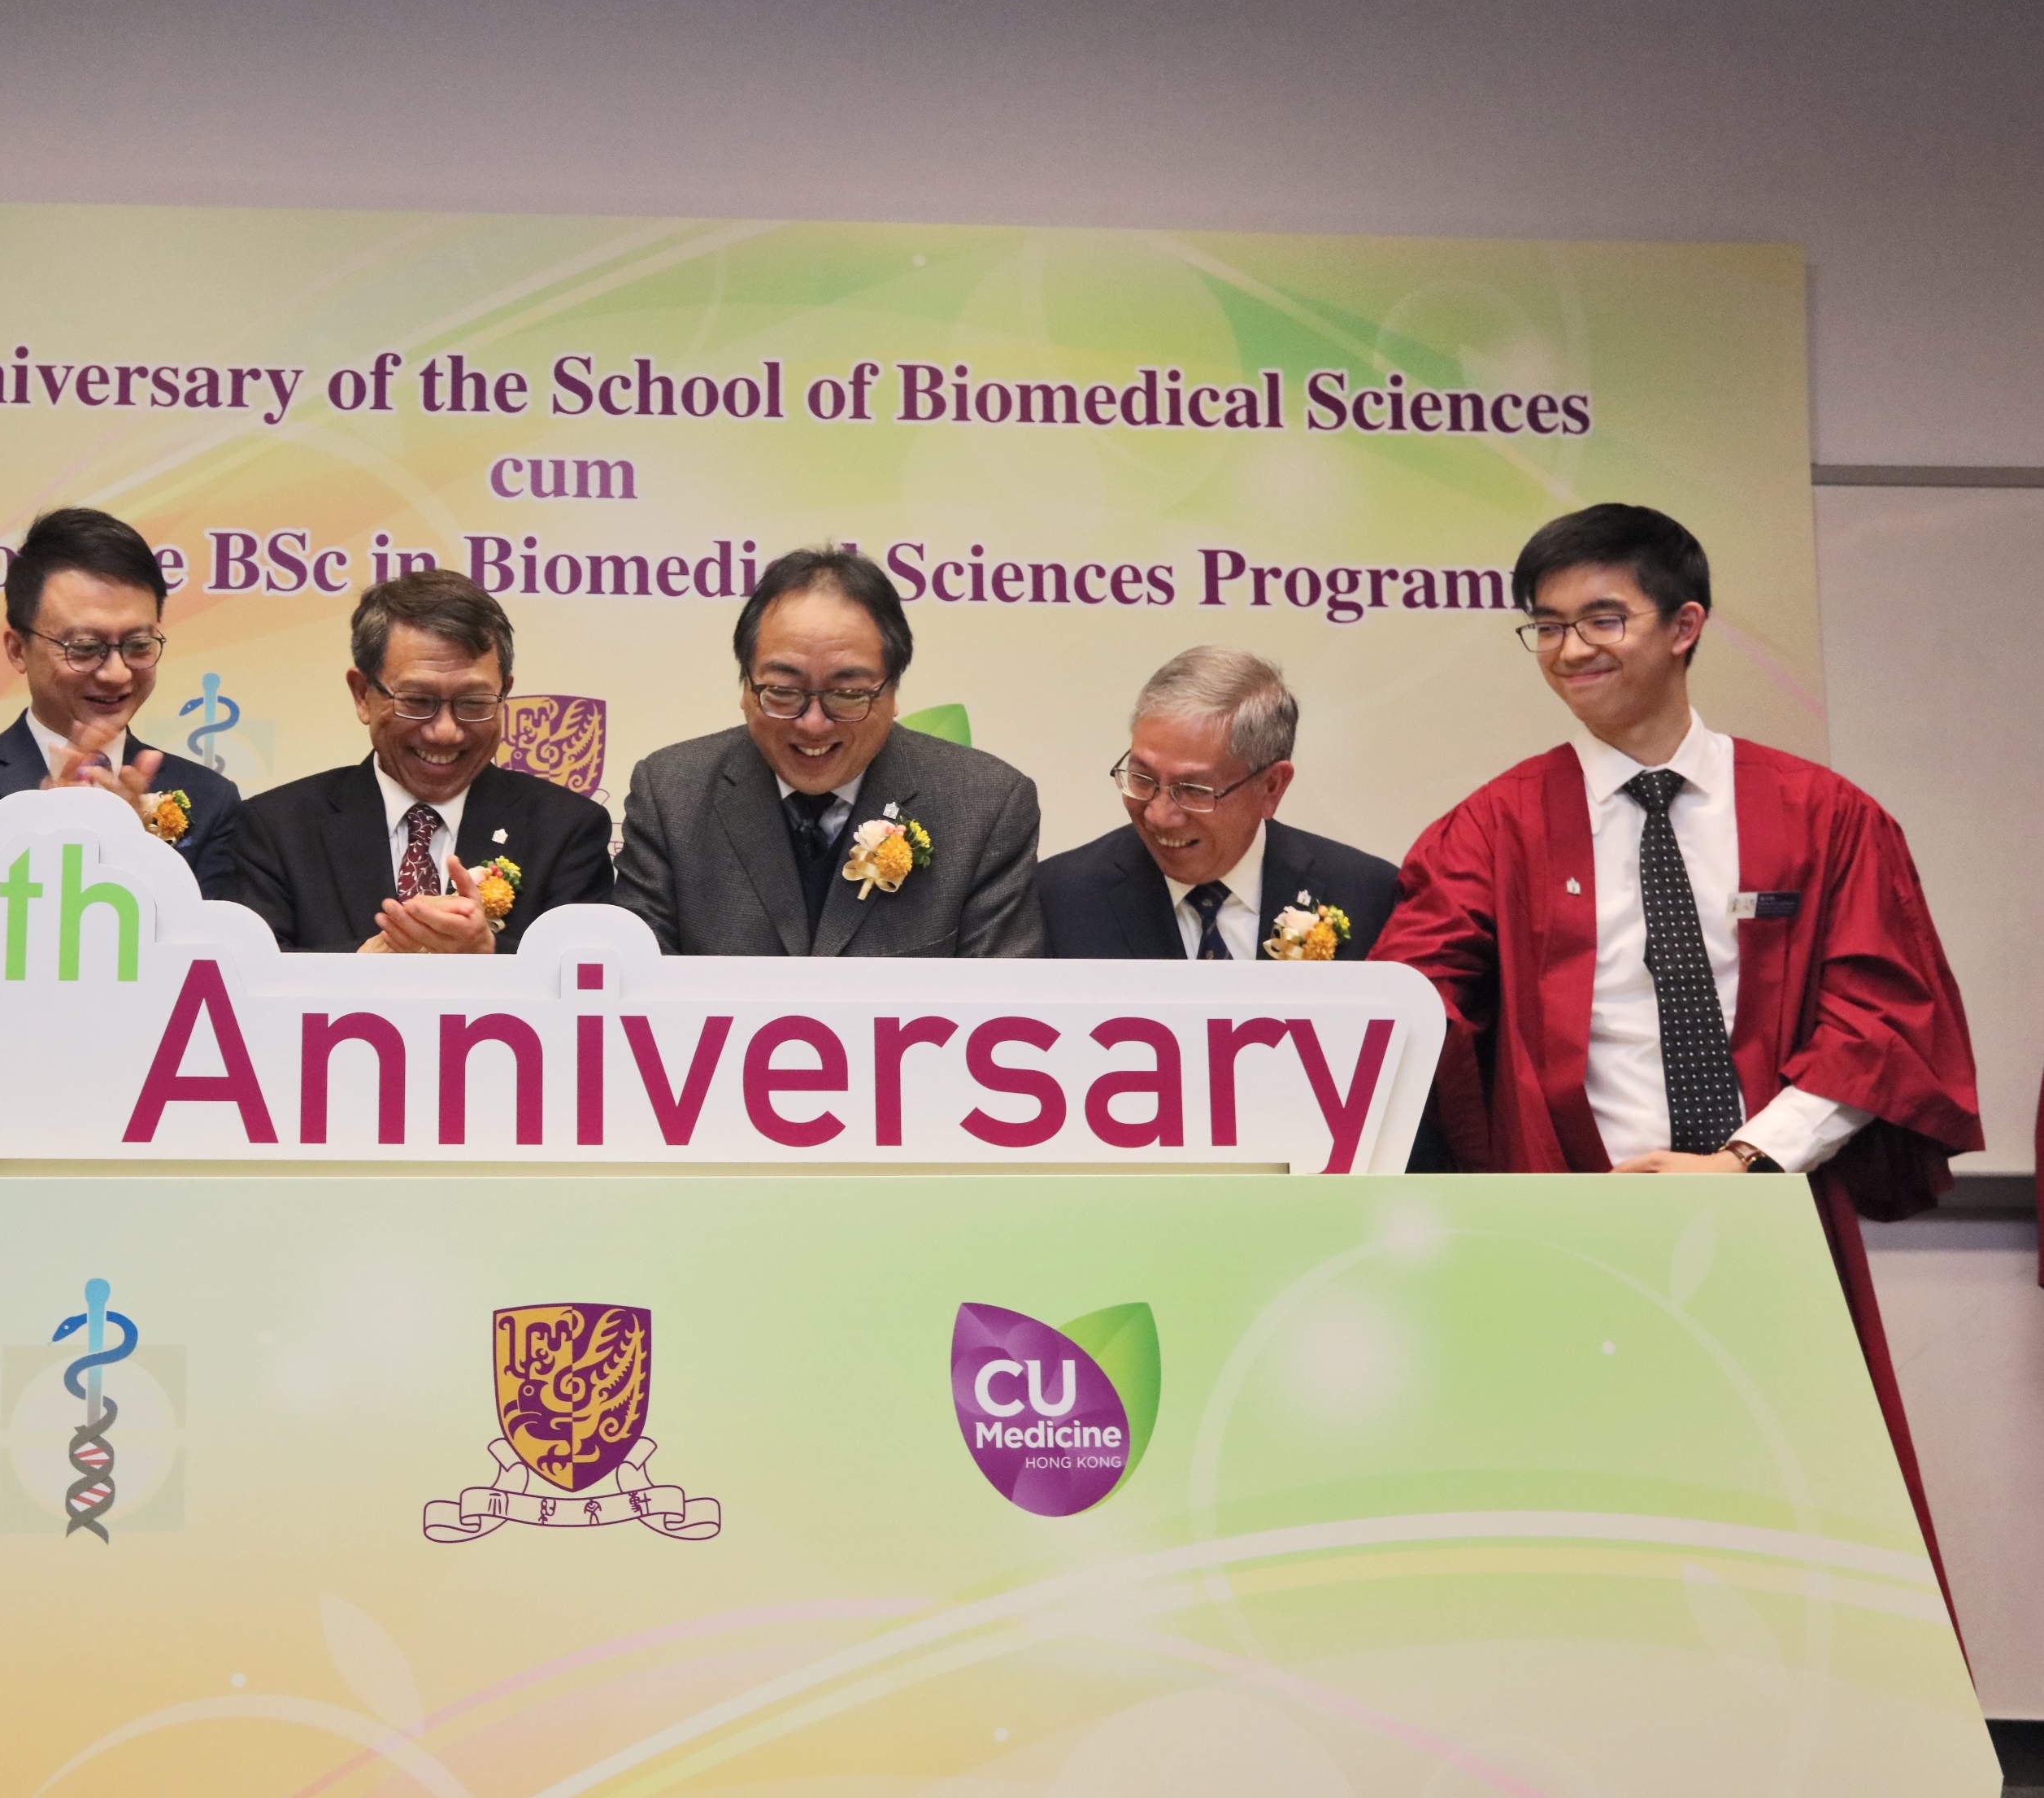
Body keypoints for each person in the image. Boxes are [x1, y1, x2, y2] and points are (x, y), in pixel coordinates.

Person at [1372, 503, 1979, 1592]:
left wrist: (1742, 1163)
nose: (1568, 650)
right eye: (1545, 625)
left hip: (1764, 1217)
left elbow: (1878, 1019)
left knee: (1788, 1513)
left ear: (1683, 624)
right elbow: (1402, 1003)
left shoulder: (1819, 816)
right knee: (1576, 1527)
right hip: (1567, 1227)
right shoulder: (1493, 826)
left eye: (1601, 617)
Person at [613, 545, 1043, 957]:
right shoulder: (671, 795)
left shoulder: (986, 805)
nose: (813, 723)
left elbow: (999, 1010)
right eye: (783, 691)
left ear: (893, 694)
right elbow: (637, 994)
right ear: (745, 689)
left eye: (848, 693)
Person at [231, 570, 613, 953]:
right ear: (363, 695)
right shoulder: (278, 829)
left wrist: (489, 956)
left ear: (504, 694)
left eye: (474, 703)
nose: (446, 732)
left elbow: (587, 983)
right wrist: (356, 975)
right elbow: (243, 984)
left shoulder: (567, 830)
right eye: (417, 701)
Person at [0, 507, 239, 897]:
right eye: (84, 649)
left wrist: (135, 851)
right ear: (18, 650)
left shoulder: (210, 800)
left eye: (138, 645)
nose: (117, 673)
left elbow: (208, 950)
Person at [1038, 646, 1399, 962]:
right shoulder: (1060, 899)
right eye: (1143, 778)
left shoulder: (1368, 895)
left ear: (1272, 787)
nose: (1158, 815)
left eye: (1193, 789)